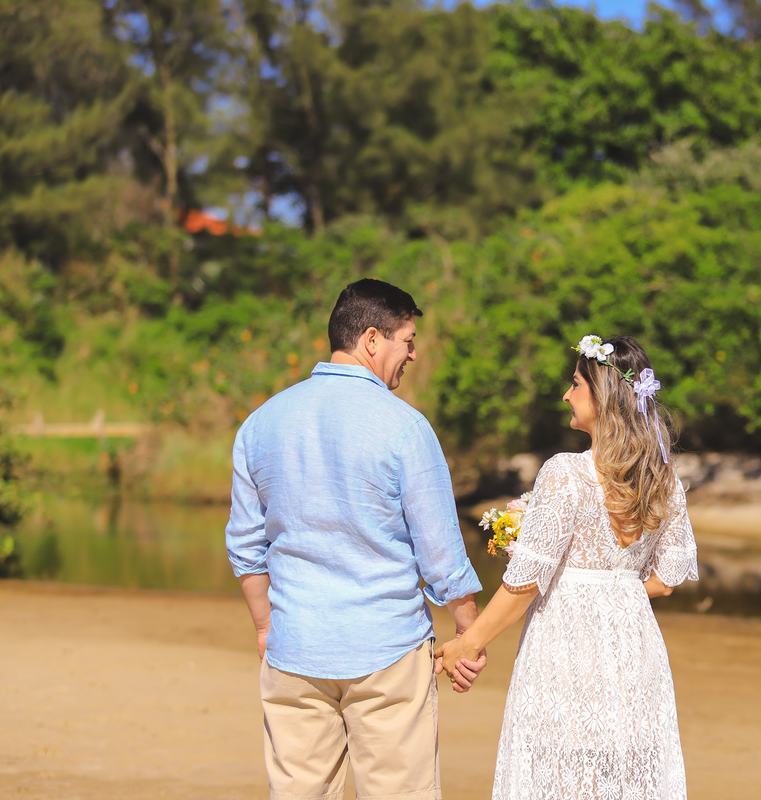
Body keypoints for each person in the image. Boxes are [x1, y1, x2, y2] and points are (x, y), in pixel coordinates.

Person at [225, 278, 485, 800]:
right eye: (407, 340)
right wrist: (468, 633)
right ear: (372, 339)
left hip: (294, 646)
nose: (412, 353)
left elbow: (245, 547)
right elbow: (440, 552)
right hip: (386, 650)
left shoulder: (260, 424)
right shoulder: (406, 428)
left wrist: (264, 627)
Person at [438, 334, 698, 799]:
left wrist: (468, 643)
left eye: (575, 384)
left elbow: (525, 584)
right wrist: (614, 591)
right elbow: (665, 581)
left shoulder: (566, 472)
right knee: (618, 768)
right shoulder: (664, 478)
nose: (566, 395)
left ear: (601, 394)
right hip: (631, 645)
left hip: (567, 644)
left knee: (564, 770)